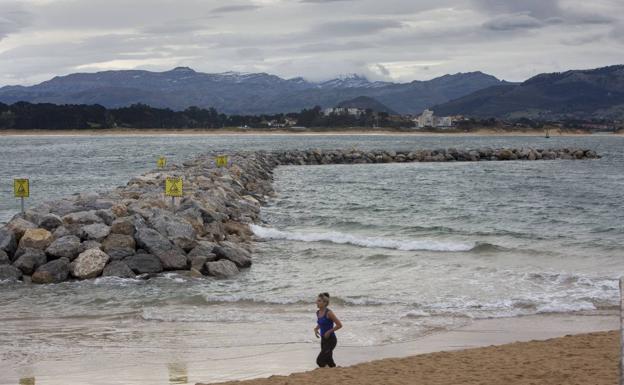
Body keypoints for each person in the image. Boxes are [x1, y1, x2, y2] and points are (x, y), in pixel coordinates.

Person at [314, 292, 342, 368]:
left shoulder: (329, 313)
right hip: (323, 340)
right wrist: (316, 329)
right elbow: (321, 323)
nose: (316, 302)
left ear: (325, 303)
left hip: (331, 340)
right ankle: (334, 371)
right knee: (329, 360)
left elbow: (339, 325)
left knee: (320, 360)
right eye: (317, 300)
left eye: (319, 301)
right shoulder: (318, 312)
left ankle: (327, 372)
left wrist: (329, 331)